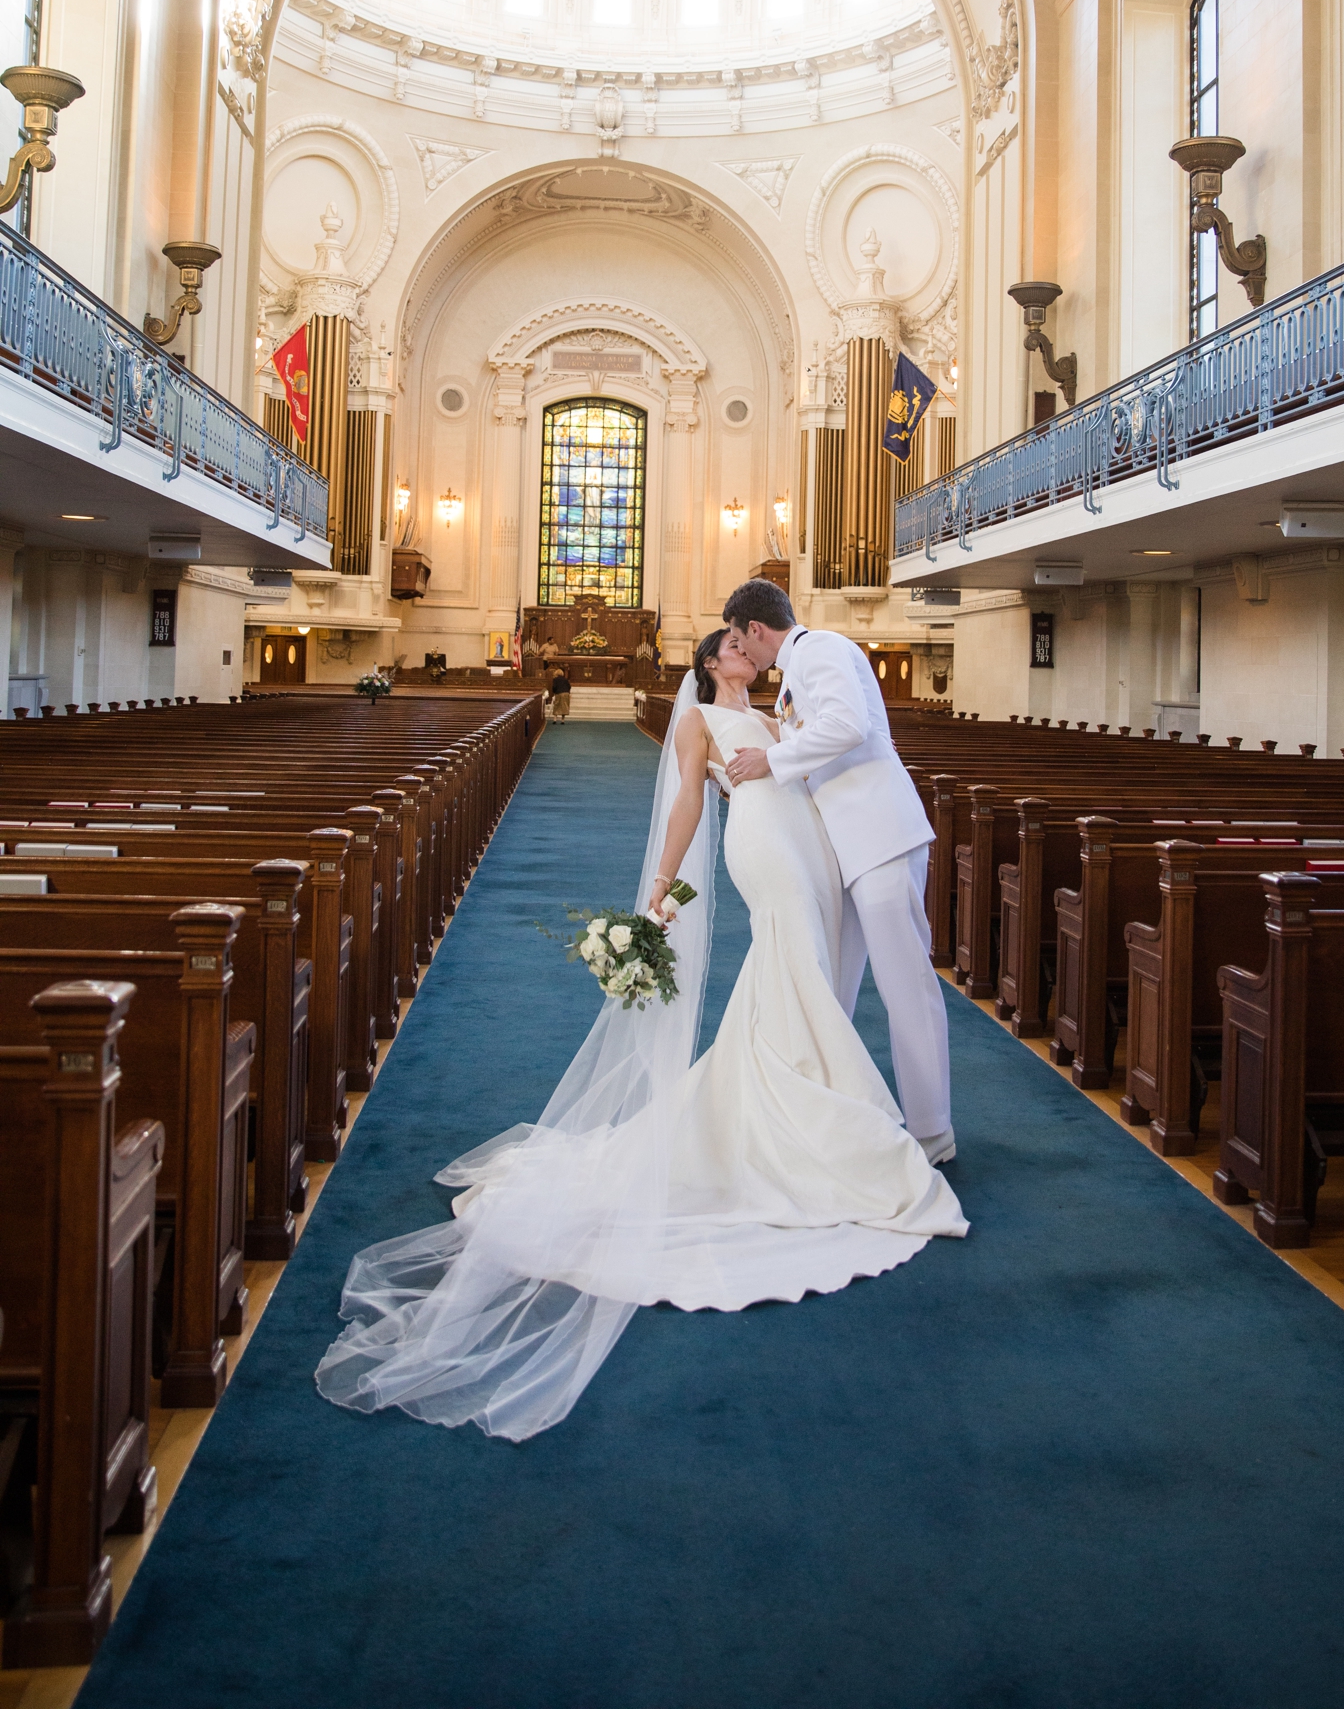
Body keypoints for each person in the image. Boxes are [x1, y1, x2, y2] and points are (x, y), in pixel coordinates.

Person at [315, 629, 964, 1442]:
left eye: (743, 642)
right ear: (709, 664)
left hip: (809, 848)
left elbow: (817, 763)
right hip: (764, 851)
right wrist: (661, 888)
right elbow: (692, 799)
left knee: (798, 976)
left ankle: (795, 1094)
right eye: (732, 646)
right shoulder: (695, 719)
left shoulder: (769, 707)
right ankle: (806, 1106)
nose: (745, 651)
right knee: (790, 958)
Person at [720, 578, 956, 1166]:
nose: (741, 653)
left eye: (737, 639)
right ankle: (834, 1110)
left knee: (906, 986)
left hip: (880, 838)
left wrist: (771, 760)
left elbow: (847, 727)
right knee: (831, 986)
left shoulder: (821, 649)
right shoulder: (798, 671)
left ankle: (932, 1130)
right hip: (847, 849)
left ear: (756, 629)